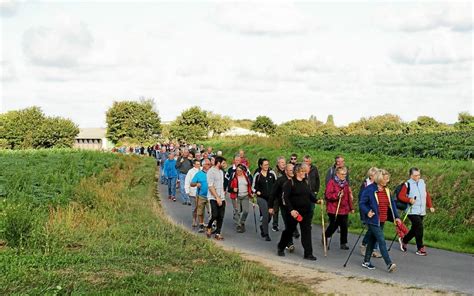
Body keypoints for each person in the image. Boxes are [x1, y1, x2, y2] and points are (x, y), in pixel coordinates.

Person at [359, 169, 400, 273]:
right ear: (380, 179)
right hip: (373, 220)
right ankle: (389, 264)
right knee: (381, 240)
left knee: (372, 240)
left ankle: (366, 262)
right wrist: (368, 211)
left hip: (382, 219)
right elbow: (362, 203)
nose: (388, 180)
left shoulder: (386, 190)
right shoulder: (369, 189)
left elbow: (392, 204)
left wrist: (397, 217)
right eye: (386, 179)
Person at [277, 163, 317, 260]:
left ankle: (308, 253)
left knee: (306, 231)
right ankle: (281, 247)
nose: (304, 173)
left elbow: (309, 195)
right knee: (289, 231)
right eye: (302, 171)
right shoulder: (290, 183)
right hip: (294, 212)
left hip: (306, 212)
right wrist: (291, 210)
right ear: (297, 172)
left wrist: (316, 200)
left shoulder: (305, 182)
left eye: (304, 171)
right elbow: (285, 198)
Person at [398, 167, 435, 256]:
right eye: (415, 175)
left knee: (415, 229)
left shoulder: (422, 182)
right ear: (411, 175)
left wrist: (430, 206)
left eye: (419, 175)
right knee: (419, 227)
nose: (418, 177)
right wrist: (409, 200)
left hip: (421, 210)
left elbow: (426, 195)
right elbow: (400, 196)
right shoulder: (407, 184)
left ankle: (404, 240)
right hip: (411, 210)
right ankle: (420, 248)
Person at [324, 166, 354, 250]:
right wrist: (337, 195)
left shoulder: (346, 184)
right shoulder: (332, 182)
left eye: (345, 174)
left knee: (344, 226)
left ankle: (343, 243)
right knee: (334, 225)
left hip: (344, 208)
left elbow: (348, 196)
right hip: (333, 208)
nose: (344, 176)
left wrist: (351, 207)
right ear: (337, 174)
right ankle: (326, 237)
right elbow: (328, 195)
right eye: (342, 174)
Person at [269, 163, 295, 252]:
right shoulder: (280, 180)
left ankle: (291, 235)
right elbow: (272, 194)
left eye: (293, 170)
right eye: (291, 170)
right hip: (284, 206)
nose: (292, 172)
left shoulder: (296, 180)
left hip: (295, 205)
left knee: (293, 224)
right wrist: (270, 206)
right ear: (286, 171)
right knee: (288, 224)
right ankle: (289, 243)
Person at [252, 159, 277, 241]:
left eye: (267, 164)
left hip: (271, 198)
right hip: (261, 198)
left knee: (270, 215)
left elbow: (276, 184)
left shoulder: (272, 174)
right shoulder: (257, 175)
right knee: (265, 215)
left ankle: (263, 226)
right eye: (265, 165)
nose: (267, 166)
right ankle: (266, 234)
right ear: (261, 166)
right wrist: (256, 191)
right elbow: (253, 187)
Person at [359, 167, 382, 258]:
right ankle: (364, 244)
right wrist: (366, 211)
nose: (374, 177)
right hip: (368, 211)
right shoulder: (365, 185)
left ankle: (373, 248)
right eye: (372, 175)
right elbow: (362, 200)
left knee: (375, 229)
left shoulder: (379, 185)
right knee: (372, 229)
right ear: (370, 176)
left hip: (377, 211)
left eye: (376, 175)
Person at [206, 156, 227, 240]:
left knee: (221, 216)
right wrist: (217, 198)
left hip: (221, 197)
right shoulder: (211, 171)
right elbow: (211, 186)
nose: (225, 165)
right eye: (223, 163)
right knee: (214, 215)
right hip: (213, 197)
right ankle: (209, 226)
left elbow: (221, 186)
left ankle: (218, 233)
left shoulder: (221, 172)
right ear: (218, 163)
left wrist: (223, 198)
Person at [229, 164, 253, 233]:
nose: (238, 172)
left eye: (240, 170)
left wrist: (251, 192)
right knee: (238, 211)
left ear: (243, 171)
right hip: (236, 196)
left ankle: (242, 222)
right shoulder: (233, 177)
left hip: (245, 196)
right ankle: (239, 225)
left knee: (246, 211)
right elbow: (229, 188)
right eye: (237, 170)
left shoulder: (246, 177)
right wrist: (233, 189)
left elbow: (249, 185)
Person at [191, 159, 211, 233]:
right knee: (200, 212)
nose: (209, 165)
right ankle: (201, 225)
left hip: (210, 196)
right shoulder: (198, 174)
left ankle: (212, 224)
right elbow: (192, 183)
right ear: (203, 165)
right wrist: (196, 184)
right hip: (201, 196)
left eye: (210, 164)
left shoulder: (212, 173)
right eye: (208, 164)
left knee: (211, 211)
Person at [271, 156, 286, 232]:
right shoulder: (274, 172)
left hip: (285, 195)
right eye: (282, 162)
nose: (284, 164)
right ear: (278, 163)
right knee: (275, 210)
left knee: (286, 211)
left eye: (284, 162)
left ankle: (289, 226)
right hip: (277, 195)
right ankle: (275, 225)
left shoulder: (287, 171)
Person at [185, 159, 201, 227]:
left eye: (199, 164)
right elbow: (187, 181)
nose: (198, 165)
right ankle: (194, 220)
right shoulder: (190, 171)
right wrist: (187, 191)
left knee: (200, 208)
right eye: (197, 164)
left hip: (201, 193)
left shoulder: (202, 170)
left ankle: (201, 221)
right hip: (193, 192)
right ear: (194, 165)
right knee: (194, 208)